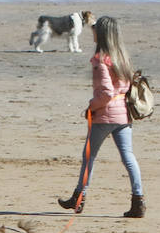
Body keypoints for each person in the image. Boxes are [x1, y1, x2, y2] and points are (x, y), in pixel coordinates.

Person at [57, 15, 145, 218]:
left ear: (103, 34)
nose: (93, 33)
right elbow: (125, 88)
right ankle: (138, 200)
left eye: (95, 30)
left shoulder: (100, 60)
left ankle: (79, 197)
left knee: (89, 157)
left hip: (104, 117)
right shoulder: (122, 58)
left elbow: (106, 93)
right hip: (123, 116)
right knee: (128, 157)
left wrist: (91, 107)